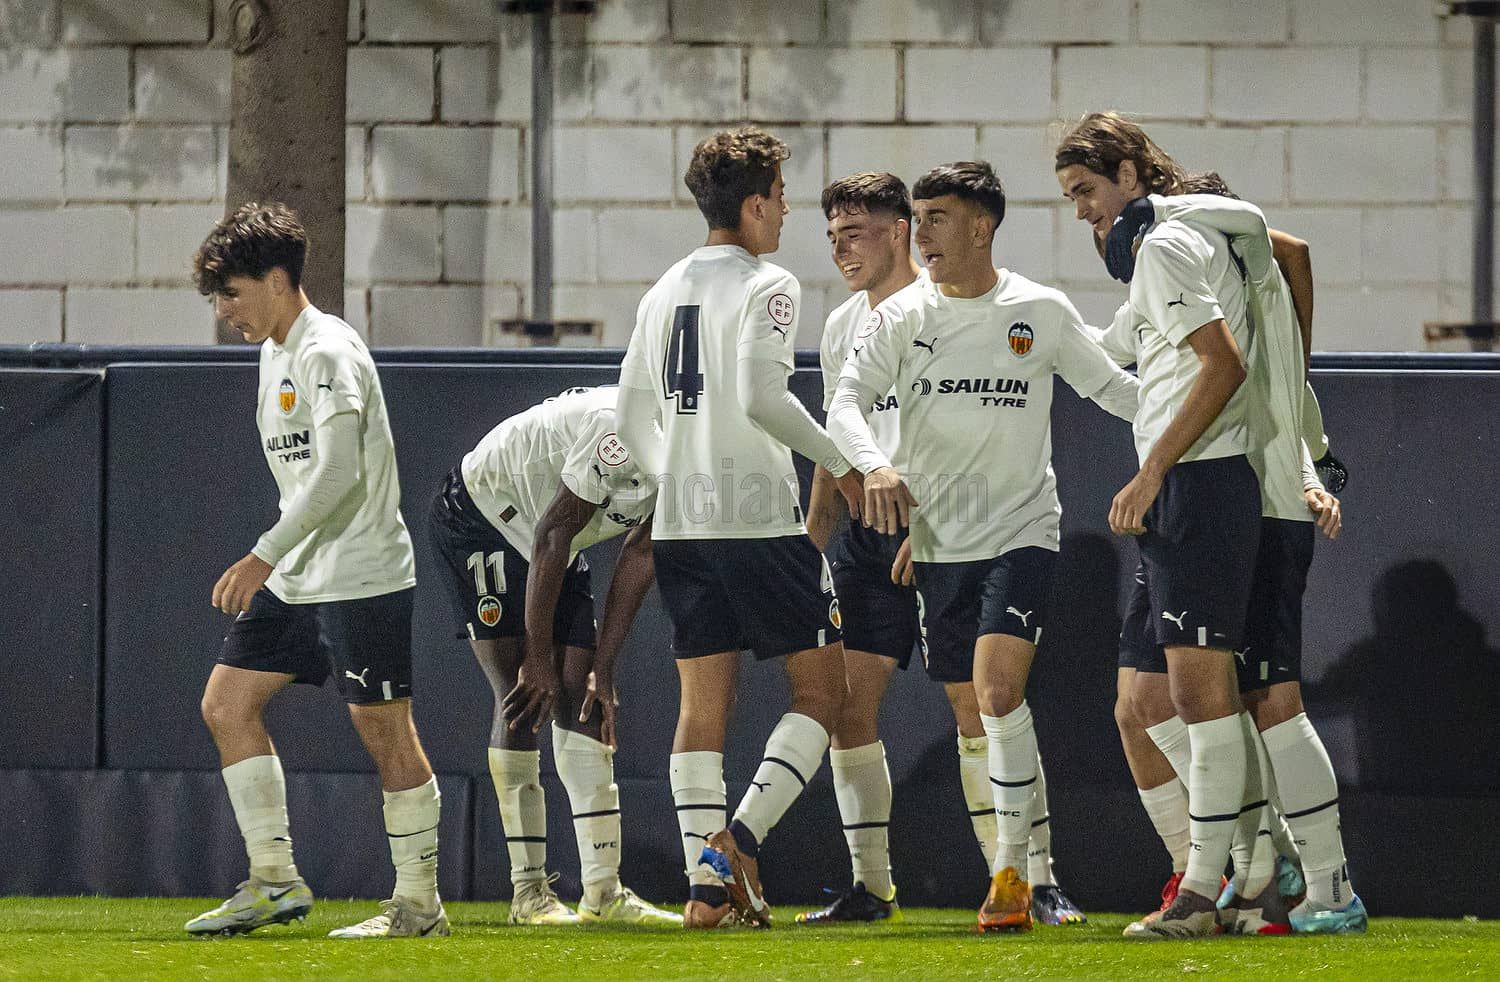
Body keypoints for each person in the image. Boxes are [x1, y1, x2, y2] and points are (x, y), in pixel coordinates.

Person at [827, 160, 1139, 933]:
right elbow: (845, 406)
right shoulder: (901, 318)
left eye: (936, 218)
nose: (921, 235)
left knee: (999, 695)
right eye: (919, 219)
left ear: (981, 226)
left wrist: (1202, 413)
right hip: (939, 544)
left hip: (1022, 533)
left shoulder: (1039, 309)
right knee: (976, 713)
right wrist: (876, 466)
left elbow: (1116, 391)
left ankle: (1020, 875)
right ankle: (1025, 875)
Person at [615, 126, 863, 929]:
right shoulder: (770, 284)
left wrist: (679, 477)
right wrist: (842, 462)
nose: (788, 212)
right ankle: (738, 842)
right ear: (754, 205)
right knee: (824, 693)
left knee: (701, 709)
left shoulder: (660, 290)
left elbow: (631, 419)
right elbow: (763, 396)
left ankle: (704, 891)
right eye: (782, 197)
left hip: (681, 526)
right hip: (757, 519)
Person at [1103, 182, 1366, 935]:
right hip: (1225, 501)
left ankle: (1319, 885)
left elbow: (1290, 249)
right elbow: (1110, 350)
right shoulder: (1214, 293)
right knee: (1160, 699)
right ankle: (1260, 864)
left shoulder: (1243, 284)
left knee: (1266, 698)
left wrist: (1309, 478)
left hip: (1256, 505)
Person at [185, 202, 446, 939]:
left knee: (386, 734)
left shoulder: (327, 350)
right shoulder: (274, 351)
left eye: (232, 293)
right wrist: (281, 559)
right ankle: (274, 881)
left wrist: (264, 553)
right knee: (226, 704)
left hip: (361, 573)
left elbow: (338, 474)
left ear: (277, 279)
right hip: (300, 575)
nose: (224, 311)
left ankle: (419, 907)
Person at [1055, 112, 1268, 939]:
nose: (1082, 211)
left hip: (1201, 486)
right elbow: (1109, 353)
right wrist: (1015, 325)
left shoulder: (1167, 247)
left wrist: (1151, 473)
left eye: (1087, 191)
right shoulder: (1168, 248)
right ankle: (1228, 862)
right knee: (1139, 703)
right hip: (1184, 489)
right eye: (1071, 197)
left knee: (1199, 696)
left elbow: (1223, 365)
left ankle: (1213, 890)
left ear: (1130, 174)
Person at [425, 384, 679, 926]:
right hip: (485, 513)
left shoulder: (703, 452)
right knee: (523, 692)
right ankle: (528, 892)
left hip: (555, 534)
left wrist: (605, 667)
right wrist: (537, 655)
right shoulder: (621, 426)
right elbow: (552, 532)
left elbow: (641, 554)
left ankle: (603, 893)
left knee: (582, 695)